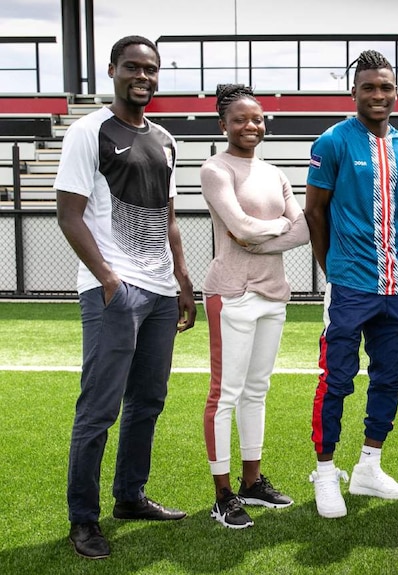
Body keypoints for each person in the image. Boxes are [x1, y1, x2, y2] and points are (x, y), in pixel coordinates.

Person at [55, 35, 197, 559]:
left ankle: (130, 497)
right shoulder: (88, 130)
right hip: (113, 289)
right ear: (112, 70)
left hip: (160, 291)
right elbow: (69, 213)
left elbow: (169, 215)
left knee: (148, 402)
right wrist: (107, 278)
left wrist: (182, 280)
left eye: (151, 69)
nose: (143, 76)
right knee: (100, 407)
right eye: (133, 67)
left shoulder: (163, 138)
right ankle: (83, 520)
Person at [304, 50, 398, 519]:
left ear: (395, 92)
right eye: (368, 87)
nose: (378, 95)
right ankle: (326, 473)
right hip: (350, 283)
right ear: (353, 92)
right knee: (338, 379)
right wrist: (333, 269)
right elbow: (314, 210)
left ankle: (370, 466)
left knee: (389, 378)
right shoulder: (332, 142)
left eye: (385, 87)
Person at [200, 84, 310, 529]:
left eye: (258, 118)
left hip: (272, 293)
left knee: (257, 391)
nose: (252, 126)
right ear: (223, 124)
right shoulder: (214, 169)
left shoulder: (275, 172)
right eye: (241, 119)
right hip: (230, 293)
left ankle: (251, 483)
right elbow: (237, 224)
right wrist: (275, 225)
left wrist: (261, 238)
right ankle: (222, 495)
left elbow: (301, 231)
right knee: (224, 394)